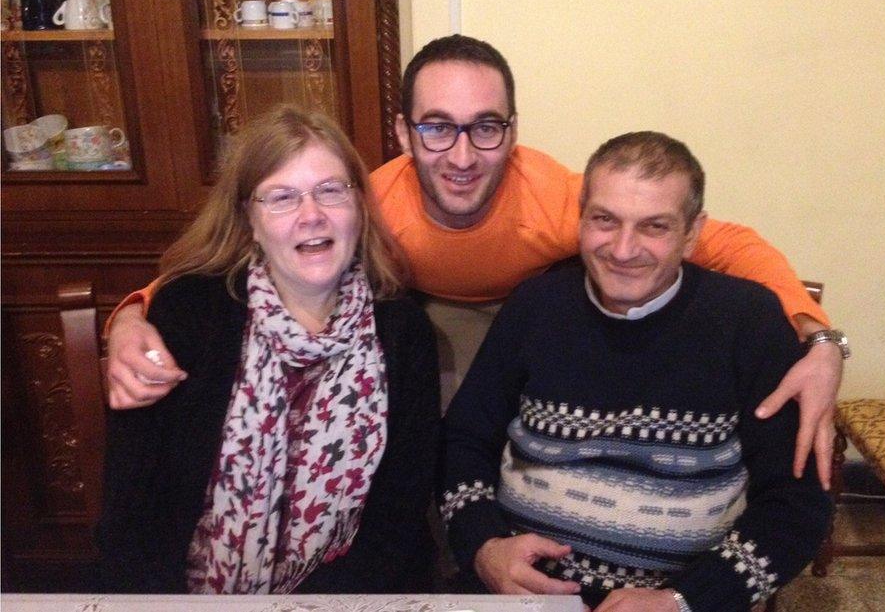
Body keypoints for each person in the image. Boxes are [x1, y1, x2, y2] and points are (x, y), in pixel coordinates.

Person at [104, 35, 845, 487]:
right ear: (402, 132)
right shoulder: (366, 206)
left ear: (513, 131)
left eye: (486, 129)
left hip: (527, 337)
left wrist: (820, 340)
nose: (462, 156)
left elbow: (718, 241)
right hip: (409, 335)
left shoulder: (561, 198)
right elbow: (237, 248)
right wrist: (134, 311)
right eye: (437, 128)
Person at [438, 131, 832, 611]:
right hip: (519, 594)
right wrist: (484, 548)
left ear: (692, 233)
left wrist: (686, 599)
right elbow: (462, 440)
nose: (623, 250)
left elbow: (797, 505)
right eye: (605, 220)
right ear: (581, 219)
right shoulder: (536, 305)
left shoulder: (748, 322)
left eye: (654, 227)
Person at [96, 105, 440, 593]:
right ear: (249, 220)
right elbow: (129, 516)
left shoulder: (404, 333)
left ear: (359, 207)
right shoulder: (187, 315)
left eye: (330, 190)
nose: (311, 215)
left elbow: (397, 527)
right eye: (281, 197)